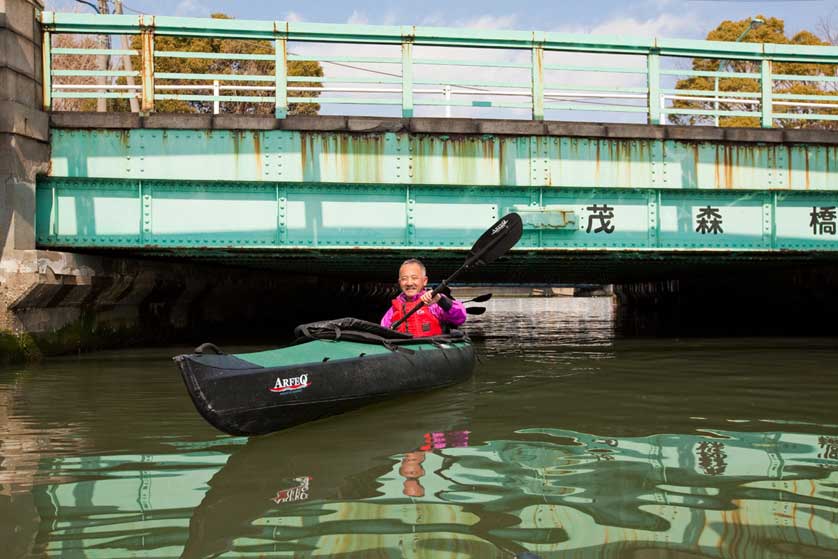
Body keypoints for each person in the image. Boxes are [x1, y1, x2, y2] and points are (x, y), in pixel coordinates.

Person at [380, 259, 466, 337]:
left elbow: (460, 318)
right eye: (404, 279)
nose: (409, 283)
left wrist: (440, 300)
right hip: (405, 352)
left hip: (432, 350)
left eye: (414, 278)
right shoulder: (393, 310)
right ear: (399, 282)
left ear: (424, 281)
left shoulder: (434, 302)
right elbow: (382, 332)